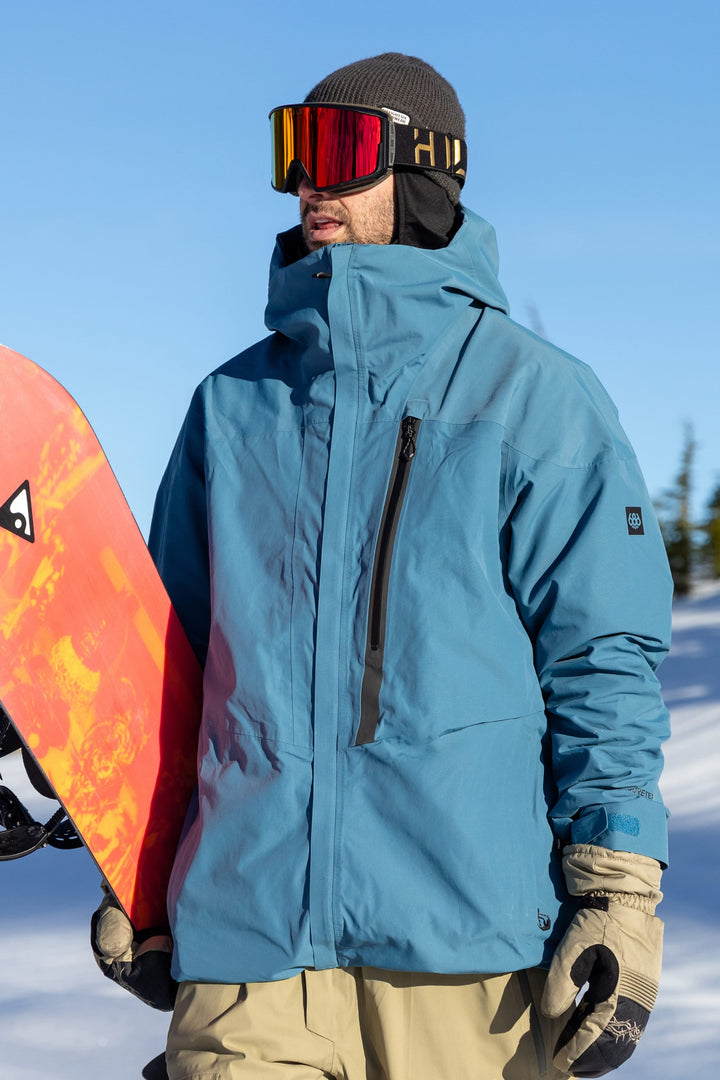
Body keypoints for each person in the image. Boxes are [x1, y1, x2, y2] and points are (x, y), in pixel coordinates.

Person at [92, 53, 672, 1080]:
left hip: (464, 961)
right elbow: (170, 664)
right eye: (293, 150)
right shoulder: (231, 407)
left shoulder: (531, 398)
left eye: (341, 150)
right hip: (248, 951)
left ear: (425, 171)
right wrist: (130, 860)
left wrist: (617, 891)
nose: (307, 182)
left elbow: (602, 663)